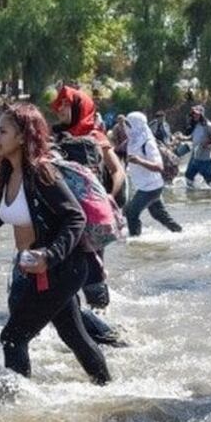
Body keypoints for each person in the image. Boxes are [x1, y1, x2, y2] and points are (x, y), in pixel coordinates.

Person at [0, 104, 112, 384]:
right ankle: (107, 388)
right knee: (74, 336)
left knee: (13, 337)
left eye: (3, 131)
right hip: (36, 269)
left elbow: (75, 217)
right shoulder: (7, 174)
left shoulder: (41, 172)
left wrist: (49, 256)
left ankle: (17, 402)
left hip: (61, 270)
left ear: (23, 137)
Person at [50, 85, 128, 346]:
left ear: (78, 107)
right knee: (67, 275)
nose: (59, 109)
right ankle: (82, 328)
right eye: (57, 104)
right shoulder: (54, 137)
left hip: (91, 218)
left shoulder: (95, 136)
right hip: (64, 218)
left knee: (92, 272)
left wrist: (107, 197)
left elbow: (117, 172)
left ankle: (105, 329)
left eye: (64, 104)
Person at [122, 112, 183, 236]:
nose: (126, 127)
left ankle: (135, 241)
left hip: (150, 187)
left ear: (136, 125)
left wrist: (140, 161)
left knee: (131, 213)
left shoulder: (148, 143)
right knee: (159, 215)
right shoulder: (132, 141)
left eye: (128, 124)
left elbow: (159, 167)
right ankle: (180, 233)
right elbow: (117, 150)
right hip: (145, 185)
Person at [180, 105, 211, 186]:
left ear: (202, 115)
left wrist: (208, 143)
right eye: (193, 114)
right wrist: (182, 138)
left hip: (206, 158)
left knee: (210, 182)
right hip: (194, 157)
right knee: (188, 178)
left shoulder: (209, 126)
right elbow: (192, 137)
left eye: (197, 114)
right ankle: (191, 197)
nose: (194, 115)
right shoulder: (196, 125)